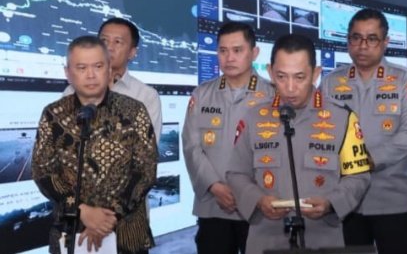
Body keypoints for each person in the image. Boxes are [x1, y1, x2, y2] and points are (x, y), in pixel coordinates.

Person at [227, 34, 371, 254]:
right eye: (281, 77)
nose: (290, 88)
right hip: (265, 238)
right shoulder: (253, 117)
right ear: (270, 72)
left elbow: (359, 176)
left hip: (322, 238)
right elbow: (236, 173)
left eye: (300, 77)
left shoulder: (343, 118)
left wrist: (331, 202)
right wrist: (258, 200)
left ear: (316, 73)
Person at [32, 35, 157, 254]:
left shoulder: (134, 110)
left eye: (98, 66)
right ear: (67, 73)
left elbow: (146, 170)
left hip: (126, 232)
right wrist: (82, 210)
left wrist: (108, 217)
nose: (91, 75)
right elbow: (43, 172)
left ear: (109, 70)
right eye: (81, 68)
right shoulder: (53, 114)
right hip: (71, 230)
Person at [319, 8, 407, 254]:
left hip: (393, 201)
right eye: (356, 38)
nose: (362, 46)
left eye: (372, 39)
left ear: (385, 42)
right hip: (345, 201)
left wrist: (365, 161)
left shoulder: (406, 81)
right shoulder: (331, 82)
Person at [182, 22, 275, 254]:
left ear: (254, 53)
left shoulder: (273, 95)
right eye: (223, 51)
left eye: (237, 50)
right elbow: (191, 146)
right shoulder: (202, 94)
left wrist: (248, 193)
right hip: (213, 206)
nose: (229, 58)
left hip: (259, 207)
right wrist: (214, 186)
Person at [63, 17, 162, 143]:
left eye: (117, 42)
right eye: (104, 40)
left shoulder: (146, 96)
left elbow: (146, 148)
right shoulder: (73, 90)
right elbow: (63, 140)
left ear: (132, 53)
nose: (109, 47)